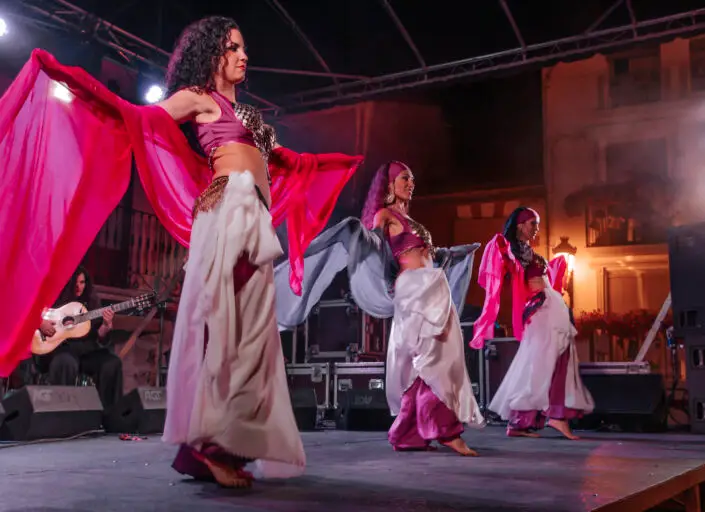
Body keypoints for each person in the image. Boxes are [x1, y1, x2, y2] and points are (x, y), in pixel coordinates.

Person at [0, 16, 361, 488]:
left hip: (254, 218)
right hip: (227, 210)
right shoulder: (199, 98)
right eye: (232, 48)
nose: (243, 56)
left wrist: (334, 163)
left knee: (253, 334)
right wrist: (81, 86)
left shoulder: (252, 117)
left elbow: (289, 163)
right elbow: (139, 118)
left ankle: (226, 444)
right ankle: (210, 446)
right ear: (211, 55)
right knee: (226, 329)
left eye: (243, 47)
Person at [364, 161, 484, 455]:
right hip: (414, 290)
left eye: (412, 179)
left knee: (432, 359)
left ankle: (409, 434)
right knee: (434, 357)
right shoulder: (384, 215)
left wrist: (451, 253)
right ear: (389, 184)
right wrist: (382, 276)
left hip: (431, 286)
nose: (410, 183)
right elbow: (371, 247)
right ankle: (446, 430)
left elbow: (425, 254)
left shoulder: (409, 219)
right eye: (404, 178)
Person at [470, 207, 594, 439]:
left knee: (550, 361)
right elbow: (510, 271)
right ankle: (550, 416)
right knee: (541, 363)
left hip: (549, 307)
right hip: (540, 309)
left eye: (537, 223)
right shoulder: (511, 251)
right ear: (519, 225)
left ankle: (530, 420)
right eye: (532, 223)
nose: (536, 228)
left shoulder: (528, 251)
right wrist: (503, 249)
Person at [38, 266, 122, 410]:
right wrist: (40, 323)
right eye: (75, 283)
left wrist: (106, 326)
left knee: (112, 363)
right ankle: (60, 414)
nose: (79, 287)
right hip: (60, 350)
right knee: (66, 362)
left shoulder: (92, 302)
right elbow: (31, 312)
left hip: (86, 352)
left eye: (82, 282)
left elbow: (98, 336)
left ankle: (109, 415)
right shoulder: (55, 297)